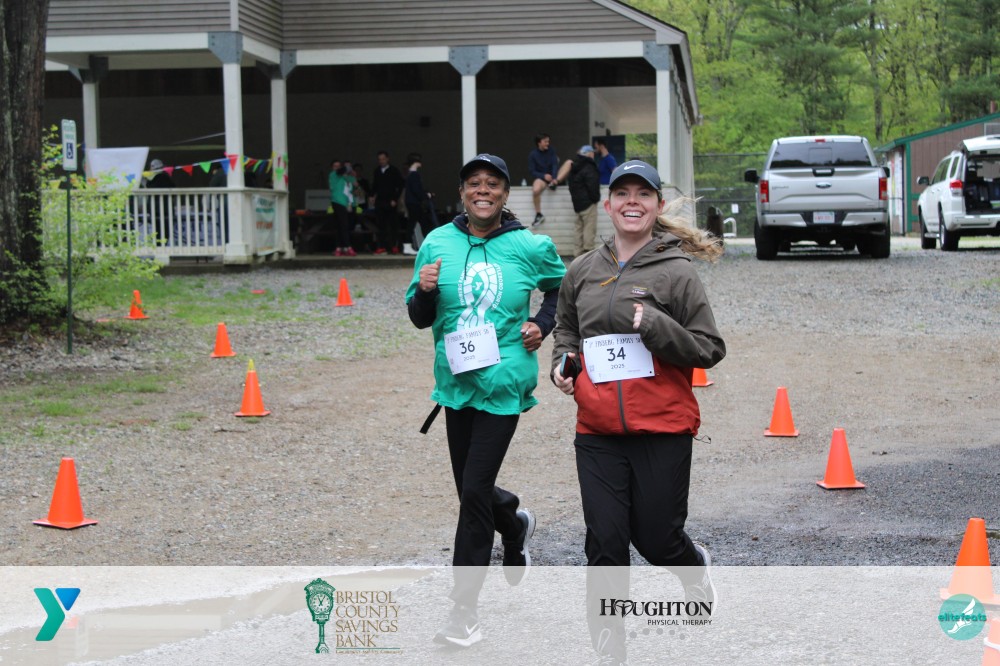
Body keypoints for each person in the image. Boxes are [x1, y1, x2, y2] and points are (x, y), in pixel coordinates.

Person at [550, 160, 725, 665]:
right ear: (608, 205)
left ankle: (692, 567)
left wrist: (654, 326)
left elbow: (709, 348)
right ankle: (610, 648)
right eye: (622, 193)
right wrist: (563, 364)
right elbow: (567, 329)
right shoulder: (583, 270)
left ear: (657, 205)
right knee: (605, 542)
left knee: (657, 540)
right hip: (597, 430)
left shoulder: (677, 272)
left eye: (643, 194)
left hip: (662, 428)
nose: (632, 202)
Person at [405, 153, 566, 648]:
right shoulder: (438, 243)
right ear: (462, 192)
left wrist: (542, 323)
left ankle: (463, 613)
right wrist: (425, 292)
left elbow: (560, 291)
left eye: (492, 183)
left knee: (473, 492)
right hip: (457, 384)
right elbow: (418, 316)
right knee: (472, 491)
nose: (483, 190)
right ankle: (513, 522)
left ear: (504, 194)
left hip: (504, 383)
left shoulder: (529, 245)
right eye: (474, 183)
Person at [555, 145, 600, 257]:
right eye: (592, 153)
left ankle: (577, 254)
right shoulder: (589, 166)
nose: (593, 155)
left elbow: (572, 186)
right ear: (589, 154)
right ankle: (588, 254)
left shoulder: (574, 167)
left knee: (578, 229)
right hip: (589, 203)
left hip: (577, 204)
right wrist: (595, 199)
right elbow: (592, 185)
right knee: (589, 229)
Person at [371, 150, 405, 254]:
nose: (381, 161)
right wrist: (372, 196)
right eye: (380, 159)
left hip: (391, 201)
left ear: (387, 159)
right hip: (380, 201)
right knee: (381, 225)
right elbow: (375, 185)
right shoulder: (377, 171)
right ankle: (382, 247)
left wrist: (395, 199)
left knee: (393, 224)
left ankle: (394, 246)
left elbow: (400, 185)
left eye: (383, 159)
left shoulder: (394, 170)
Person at [403, 152, 434, 255]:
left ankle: (409, 245)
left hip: (411, 202)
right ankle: (429, 246)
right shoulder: (414, 174)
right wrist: (426, 195)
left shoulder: (410, 174)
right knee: (422, 224)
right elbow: (417, 190)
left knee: (416, 223)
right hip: (414, 203)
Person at [528, 133, 559, 227]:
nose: (547, 143)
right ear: (539, 143)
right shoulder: (533, 154)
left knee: (568, 164)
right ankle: (539, 214)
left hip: (554, 178)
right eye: (545, 141)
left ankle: (553, 184)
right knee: (536, 190)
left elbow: (555, 165)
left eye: (548, 141)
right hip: (542, 179)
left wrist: (554, 177)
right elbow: (532, 171)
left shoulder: (552, 151)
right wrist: (543, 176)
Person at [328, 159, 357, 257]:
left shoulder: (344, 177)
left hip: (346, 203)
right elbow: (341, 171)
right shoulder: (333, 175)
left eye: (338, 166)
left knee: (342, 226)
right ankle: (347, 247)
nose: (337, 168)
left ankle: (340, 247)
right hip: (337, 202)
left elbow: (355, 184)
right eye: (335, 166)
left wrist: (352, 175)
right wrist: (349, 167)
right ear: (332, 168)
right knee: (343, 225)